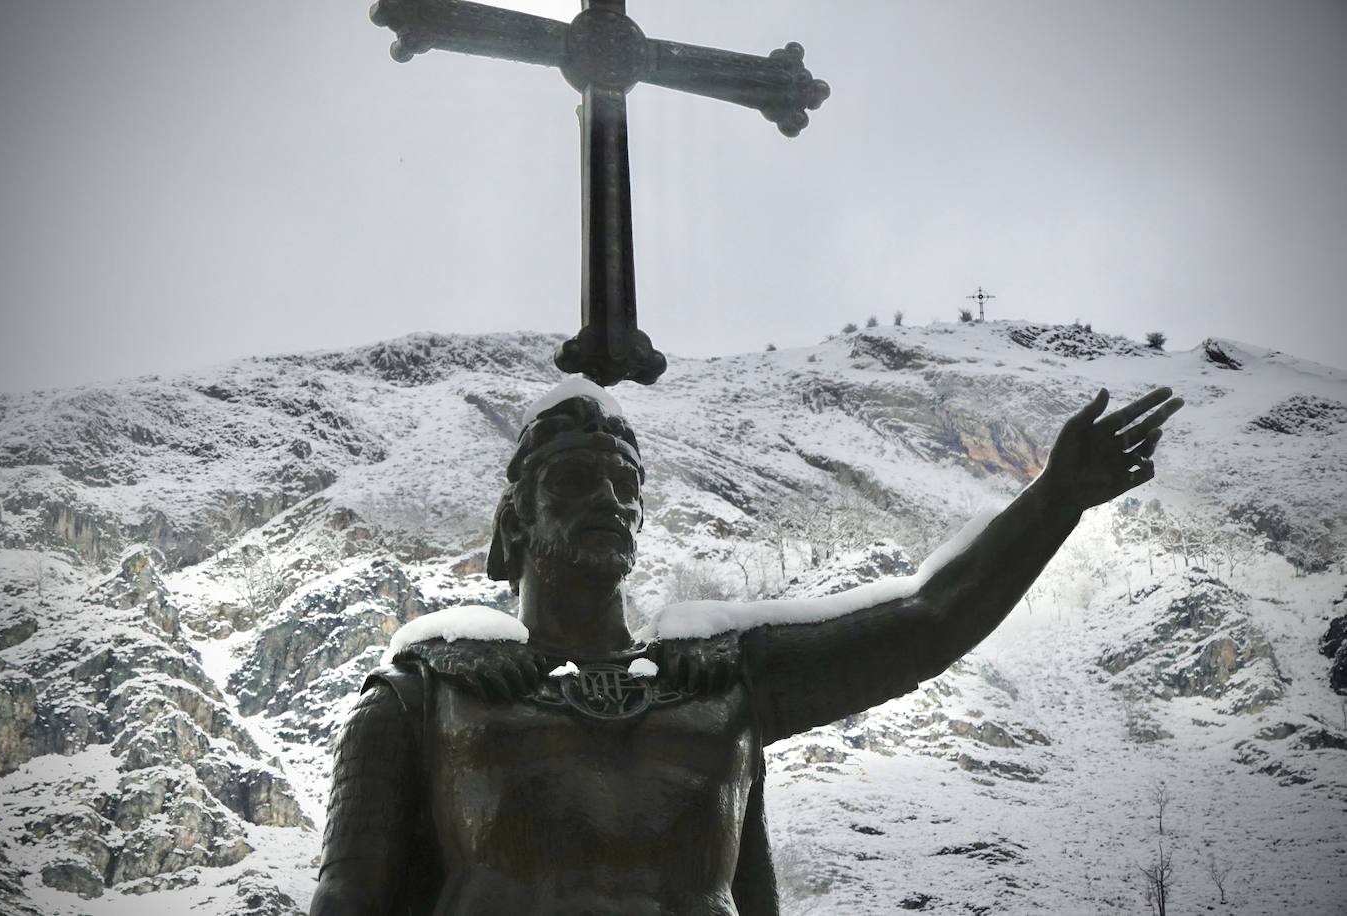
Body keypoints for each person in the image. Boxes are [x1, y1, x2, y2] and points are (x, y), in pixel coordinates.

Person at [309, 381, 1182, 916]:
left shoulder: (719, 681)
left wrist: (1055, 501)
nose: (607, 499)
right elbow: (346, 904)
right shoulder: (425, 697)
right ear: (514, 525)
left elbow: (927, 622)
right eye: (574, 479)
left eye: (625, 483)